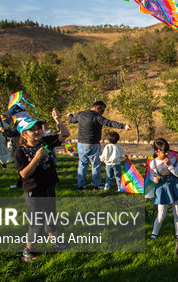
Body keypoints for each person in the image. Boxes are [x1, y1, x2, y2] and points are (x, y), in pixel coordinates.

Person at [13, 109, 69, 262]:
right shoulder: (20, 151)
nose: (37, 131)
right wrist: (36, 158)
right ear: (24, 134)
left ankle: (56, 243)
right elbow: (24, 174)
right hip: (34, 189)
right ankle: (28, 251)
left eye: (38, 128)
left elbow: (65, 134)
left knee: (51, 216)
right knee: (37, 222)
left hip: (49, 185)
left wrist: (58, 120)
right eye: (32, 129)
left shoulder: (45, 142)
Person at [68, 101, 130, 190]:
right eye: (102, 111)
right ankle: (96, 185)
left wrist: (70, 115)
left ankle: (80, 185)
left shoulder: (80, 114)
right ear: (97, 108)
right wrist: (123, 126)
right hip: (93, 145)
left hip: (81, 144)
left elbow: (71, 120)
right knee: (96, 165)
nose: (102, 113)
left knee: (82, 164)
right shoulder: (96, 117)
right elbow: (109, 123)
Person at [147, 138, 178, 241]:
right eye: (164, 152)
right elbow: (151, 176)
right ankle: (154, 233)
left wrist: (170, 166)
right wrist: (154, 179)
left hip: (175, 187)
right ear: (156, 152)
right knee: (161, 214)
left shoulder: (172, 160)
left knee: (177, 212)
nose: (166, 154)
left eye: (167, 151)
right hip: (162, 189)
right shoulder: (153, 164)